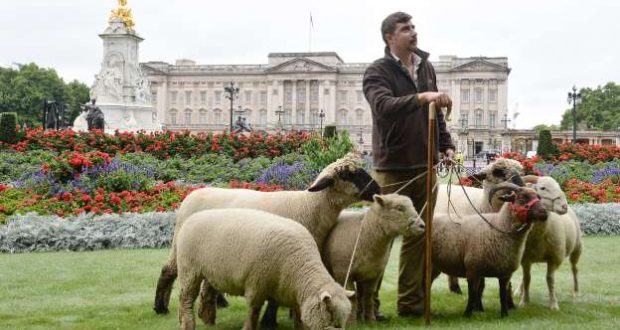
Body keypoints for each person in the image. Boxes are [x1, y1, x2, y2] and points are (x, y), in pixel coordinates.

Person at [363, 11, 455, 318]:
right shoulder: (377, 71)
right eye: (405, 29)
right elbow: (383, 107)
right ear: (390, 37)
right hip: (393, 166)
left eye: (414, 27)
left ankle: (411, 304)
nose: (413, 32)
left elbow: (437, 114)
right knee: (381, 240)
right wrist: (422, 97)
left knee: (419, 237)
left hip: (424, 165)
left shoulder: (425, 67)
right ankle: (368, 306)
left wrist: (446, 145)